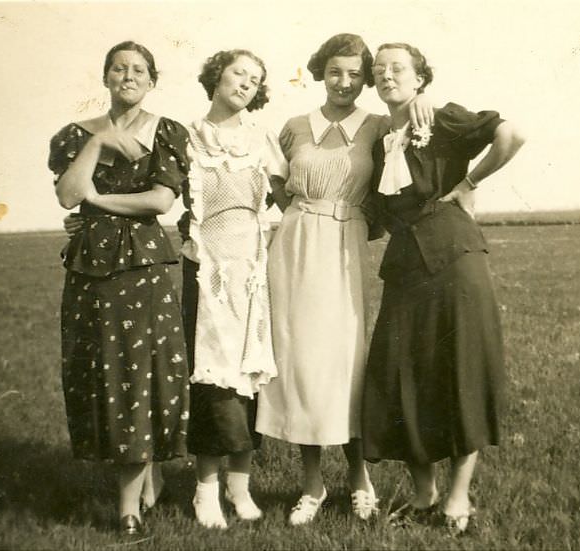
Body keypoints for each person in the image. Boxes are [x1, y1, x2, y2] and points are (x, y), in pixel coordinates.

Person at [255, 33, 432, 525]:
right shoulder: (294, 127)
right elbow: (272, 181)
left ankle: (359, 478)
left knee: (346, 363)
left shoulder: (376, 125)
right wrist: (296, 214)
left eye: (357, 74)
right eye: (336, 71)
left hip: (344, 247)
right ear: (320, 71)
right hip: (294, 247)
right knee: (300, 362)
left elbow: (412, 129)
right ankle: (311, 485)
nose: (345, 82)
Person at [360, 42, 525, 533]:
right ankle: (423, 493)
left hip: (455, 261)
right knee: (402, 375)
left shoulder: (442, 116)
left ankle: (457, 497)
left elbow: (511, 135)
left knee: (461, 373)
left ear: (419, 79)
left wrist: (470, 181)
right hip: (406, 268)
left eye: (398, 68)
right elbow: (375, 214)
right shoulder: (378, 140)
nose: (387, 75)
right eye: (379, 69)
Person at [48, 41, 191, 536]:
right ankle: (143, 477)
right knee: (104, 374)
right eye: (118, 68)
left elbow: (160, 201)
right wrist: (98, 143)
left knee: (141, 373)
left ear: (152, 80)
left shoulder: (167, 131)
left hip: (142, 268)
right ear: (106, 76)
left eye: (138, 70)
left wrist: (97, 202)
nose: (127, 76)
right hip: (90, 271)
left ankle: (127, 508)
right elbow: (68, 194)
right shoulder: (76, 134)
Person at [178, 49, 287, 530]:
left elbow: (286, 196)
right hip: (203, 268)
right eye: (238, 72)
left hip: (253, 269)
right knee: (211, 377)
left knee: (251, 374)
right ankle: (205, 492)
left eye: (254, 79)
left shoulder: (264, 140)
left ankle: (239, 486)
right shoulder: (186, 137)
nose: (245, 83)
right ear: (216, 76)